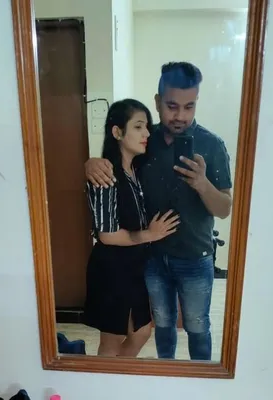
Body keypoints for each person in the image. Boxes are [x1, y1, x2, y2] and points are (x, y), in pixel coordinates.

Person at [85, 62, 232, 361]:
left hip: (195, 256)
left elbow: (225, 209)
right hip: (151, 258)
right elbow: (115, 164)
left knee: (197, 327)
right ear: (157, 101)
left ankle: (199, 381)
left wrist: (202, 184)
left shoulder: (212, 145)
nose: (180, 116)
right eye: (172, 106)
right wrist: (90, 163)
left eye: (189, 106)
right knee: (161, 327)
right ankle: (165, 376)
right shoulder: (145, 141)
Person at [83, 98, 180, 357]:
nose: (146, 133)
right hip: (112, 268)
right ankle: (106, 379)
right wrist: (150, 234)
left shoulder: (137, 169)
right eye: (138, 127)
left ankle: (116, 375)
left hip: (134, 266)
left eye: (147, 126)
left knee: (141, 332)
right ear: (117, 132)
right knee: (113, 339)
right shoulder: (106, 174)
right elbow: (107, 235)